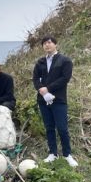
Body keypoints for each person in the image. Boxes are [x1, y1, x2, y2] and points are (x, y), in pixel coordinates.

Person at [32, 35, 78, 167]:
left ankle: (67, 154)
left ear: (55, 44)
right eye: (44, 43)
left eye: (50, 42)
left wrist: (48, 89)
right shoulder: (40, 62)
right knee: (49, 127)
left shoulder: (65, 60)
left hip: (59, 99)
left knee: (62, 128)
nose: (47, 45)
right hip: (43, 100)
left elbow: (65, 78)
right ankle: (53, 153)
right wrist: (41, 89)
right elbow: (35, 78)